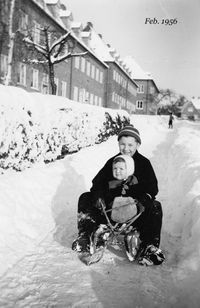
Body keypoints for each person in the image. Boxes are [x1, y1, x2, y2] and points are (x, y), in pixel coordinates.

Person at [72, 125, 165, 266]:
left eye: (130, 145)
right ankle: (85, 236)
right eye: (122, 144)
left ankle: (149, 246)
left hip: (135, 213)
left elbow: (152, 188)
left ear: (138, 144)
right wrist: (98, 196)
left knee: (156, 206)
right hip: (110, 211)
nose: (126, 148)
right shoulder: (113, 162)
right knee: (85, 197)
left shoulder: (144, 164)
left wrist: (143, 200)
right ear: (118, 144)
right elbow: (97, 183)